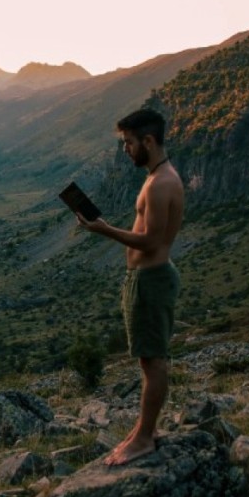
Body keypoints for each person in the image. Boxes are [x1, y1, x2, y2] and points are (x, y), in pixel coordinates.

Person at [76, 108, 184, 466]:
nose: (126, 150)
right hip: (147, 280)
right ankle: (145, 429)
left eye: (129, 143)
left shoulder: (160, 184)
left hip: (151, 281)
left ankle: (144, 438)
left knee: (153, 363)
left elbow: (151, 241)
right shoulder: (158, 176)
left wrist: (103, 229)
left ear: (148, 142)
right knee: (147, 359)